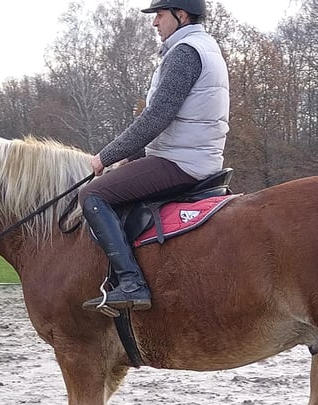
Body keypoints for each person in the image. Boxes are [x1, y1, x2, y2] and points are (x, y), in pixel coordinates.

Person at [78, 0, 230, 313]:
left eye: (159, 15)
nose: (154, 23)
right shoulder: (204, 47)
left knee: (92, 194)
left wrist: (104, 157)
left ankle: (131, 283)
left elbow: (156, 117)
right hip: (192, 156)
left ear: (181, 15)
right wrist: (130, 156)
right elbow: (168, 121)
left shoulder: (185, 53)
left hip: (181, 162)